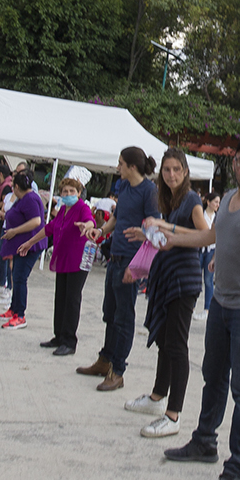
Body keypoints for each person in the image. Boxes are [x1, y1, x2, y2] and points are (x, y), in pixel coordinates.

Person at [147, 135, 240, 480]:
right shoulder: (227, 199)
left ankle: (239, 469)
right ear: (234, 164)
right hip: (222, 304)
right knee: (213, 375)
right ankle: (204, 442)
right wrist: (170, 233)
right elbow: (211, 235)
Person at [123, 149, 208, 438]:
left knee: (176, 345)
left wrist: (165, 225)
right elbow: (168, 238)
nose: (171, 174)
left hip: (184, 280)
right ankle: (158, 397)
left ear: (185, 171)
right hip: (166, 275)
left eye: (176, 169)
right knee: (163, 339)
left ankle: (173, 415)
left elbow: (206, 235)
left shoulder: (193, 200)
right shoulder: (168, 199)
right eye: (167, 170)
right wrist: (146, 233)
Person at [76, 148, 157, 392]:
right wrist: (101, 231)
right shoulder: (123, 187)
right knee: (109, 312)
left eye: (121, 163)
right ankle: (105, 359)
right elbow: (116, 216)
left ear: (132, 166)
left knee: (124, 317)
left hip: (131, 262)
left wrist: (139, 267)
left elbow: (155, 228)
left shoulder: (149, 191)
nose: (117, 167)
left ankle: (117, 370)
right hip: (115, 256)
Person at [17, 176, 94, 355]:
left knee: (72, 299)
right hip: (63, 258)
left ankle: (69, 340)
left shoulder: (82, 208)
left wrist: (87, 226)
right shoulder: (62, 211)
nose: (68, 194)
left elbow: (90, 220)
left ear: (79, 193)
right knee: (61, 297)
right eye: (65, 192)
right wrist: (29, 242)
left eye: (71, 192)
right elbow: (48, 228)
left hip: (78, 260)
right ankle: (59, 336)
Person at [0, 170, 46, 329]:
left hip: (30, 245)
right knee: (15, 275)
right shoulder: (23, 198)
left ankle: (20, 315)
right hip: (21, 245)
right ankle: (14, 308)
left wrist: (15, 231)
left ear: (17, 186)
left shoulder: (31, 198)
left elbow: (36, 221)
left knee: (19, 278)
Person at [197, 194, 220, 322]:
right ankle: (192, 306)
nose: (217, 205)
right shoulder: (201, 215)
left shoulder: (218, 217)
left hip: (211, 250)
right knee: (196, 277)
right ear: (208, 202)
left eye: (218, 202)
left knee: (208, 279)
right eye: (215, 202)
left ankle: (207, 308)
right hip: (200, 249)